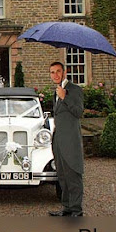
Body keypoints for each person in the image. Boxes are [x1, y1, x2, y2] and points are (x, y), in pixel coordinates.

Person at [48, 62, 84, 217]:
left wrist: (65, 97)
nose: (55, 75)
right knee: (62, 176)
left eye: (58, 71)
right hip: (58, 141)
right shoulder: (56, 92)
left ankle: (77, 210)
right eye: (52, 72)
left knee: (73, 175)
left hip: (70, 141)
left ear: (64, 72)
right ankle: (67, 207)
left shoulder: (74, 90)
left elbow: (78, 112)